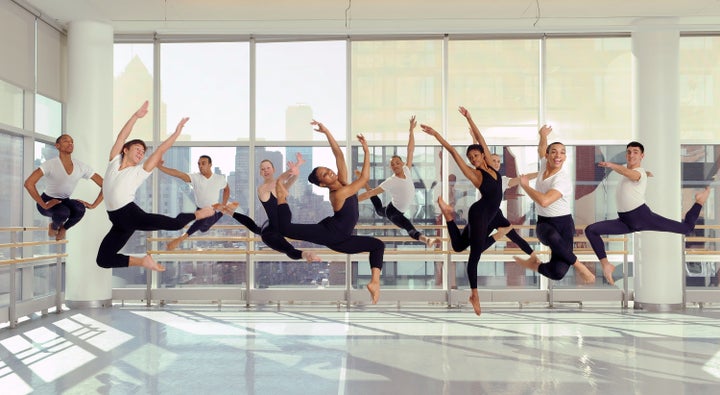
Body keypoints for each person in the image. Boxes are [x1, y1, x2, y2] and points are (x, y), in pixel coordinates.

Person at [96, 101, 214, 272]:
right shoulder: (114, 161)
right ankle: (143, 261)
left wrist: (176, 132)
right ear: (125, 150)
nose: (141, 153)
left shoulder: (140, 171)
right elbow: (122, 136)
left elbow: (160, 150)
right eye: (137, 149)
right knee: (104, 259)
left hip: (129, 214)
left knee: (175, 224)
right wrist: (136, 116)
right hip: (118, 221)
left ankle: (198, 214)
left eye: (143, 152)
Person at [276, 120, 385, 303]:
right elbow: (365, 177)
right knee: (286, 229)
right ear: (322, 184)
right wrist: (366, 151)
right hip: (331, 234)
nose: (330, 173)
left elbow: (338, 155)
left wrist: (326, 131)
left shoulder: (342, 181)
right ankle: (281, 196)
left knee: (377, 245)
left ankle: (374, 283)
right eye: (325, 175)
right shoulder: (339, 193)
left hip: (343, 239)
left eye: (328, 170)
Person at [421, 106, 512, 316]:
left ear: (482, 154)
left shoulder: (492, 165)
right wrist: (436, 135)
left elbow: (480, 137)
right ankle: (474, 294)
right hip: (479, 213)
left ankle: (449, 216)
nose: (473, 159)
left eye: (475, 155)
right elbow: (453, 151)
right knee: (475, 256)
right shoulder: (475, 174)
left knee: (460, 246)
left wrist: (470, 118)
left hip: (487, 214)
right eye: (470, 157)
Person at [584, 141, 712, 285]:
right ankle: (606, 265)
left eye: (635, 152)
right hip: (625, 221)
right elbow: (629, 173)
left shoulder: (637, 173)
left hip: (641, 217)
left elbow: (631, 173)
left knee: (686, 228)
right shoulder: (637, 172)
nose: (631, 155)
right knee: (591, 230)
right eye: (629, 152)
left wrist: (612, 165)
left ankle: (699, 201)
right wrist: (646, 173)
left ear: (642, 156)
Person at [512, 125, 597, 284]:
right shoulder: (544, 164)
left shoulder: (562, 179)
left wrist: (525, 186)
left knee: (558, 272)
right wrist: (543, 135)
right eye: (554, 152)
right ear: (548, 155)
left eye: (562, 152)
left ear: (565, 157)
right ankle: (581, 267)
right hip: (545, 224)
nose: (558, 155)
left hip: (564, 224)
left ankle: (534, 266)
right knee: (551, 235)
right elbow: (542, 148)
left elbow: (544, 201)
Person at [357, 116, 439, 248]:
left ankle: (363, 181)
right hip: (393, 212)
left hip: (395, 208)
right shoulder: (391, 181)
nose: (395, 165)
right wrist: (351, 201)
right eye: (392, 165)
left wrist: (411, 130)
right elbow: (369, 194)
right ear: (391, 168)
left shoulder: (407, 170)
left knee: (379, 210)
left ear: (402, 163)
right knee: (407, 225)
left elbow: (410, 149)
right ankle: (427, 240)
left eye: (397, 163)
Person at [157, 155, 259, 250]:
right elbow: (178, 174)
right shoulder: (195, 177)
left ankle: (181, 238)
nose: (200, 166)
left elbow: (226, 189)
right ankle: (224, 211)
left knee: (206, 218)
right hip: (200, 210)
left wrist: (223, 204)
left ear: (210, 164)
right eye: (199, 164)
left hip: (212, 210)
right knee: (203, 229)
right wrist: (160, 167)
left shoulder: (219, 178)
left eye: (203, 163)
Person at [24, 134, 104, 240]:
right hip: (48, 200)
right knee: (63, 212)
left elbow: (105, 185)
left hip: (65, 201)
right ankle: (54, 226)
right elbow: (28, 183)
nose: (70, 143)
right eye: (66, 141)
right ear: (57, 146)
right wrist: (44, 204)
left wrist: (94, 205)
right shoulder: (50, 164)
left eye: (72, 141)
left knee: (80, 209)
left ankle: (63, 229)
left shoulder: (81, 166)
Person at [257, 153, 320, 262]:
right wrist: (297, 165)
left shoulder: (279, 187)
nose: (266, 170)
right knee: (289, 249)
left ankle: (308, 255)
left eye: (268, 168)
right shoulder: (262, 189)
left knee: (312, 232)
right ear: (260, 173)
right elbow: (279, 181)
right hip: (270, 233)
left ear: (273, 169)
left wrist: (296, 172)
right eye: (263, 169)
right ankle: (306, 255)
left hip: (284, 227)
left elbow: (289, 182)